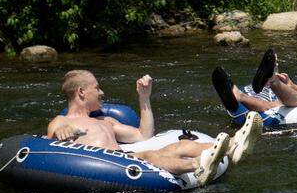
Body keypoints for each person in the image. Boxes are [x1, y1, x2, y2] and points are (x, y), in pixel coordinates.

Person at [47, 70, 261, 185]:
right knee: (148, 156)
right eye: (97, 88)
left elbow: (143, 135)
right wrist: (61, 133)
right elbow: (54, 136)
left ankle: (233, 145)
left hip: (122, 158)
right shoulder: (64, 120)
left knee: (180, 145)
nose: (102, 92)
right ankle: (199, 165)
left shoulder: (106, 121)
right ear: (82, 92)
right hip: (101, 166)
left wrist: (144, 98)